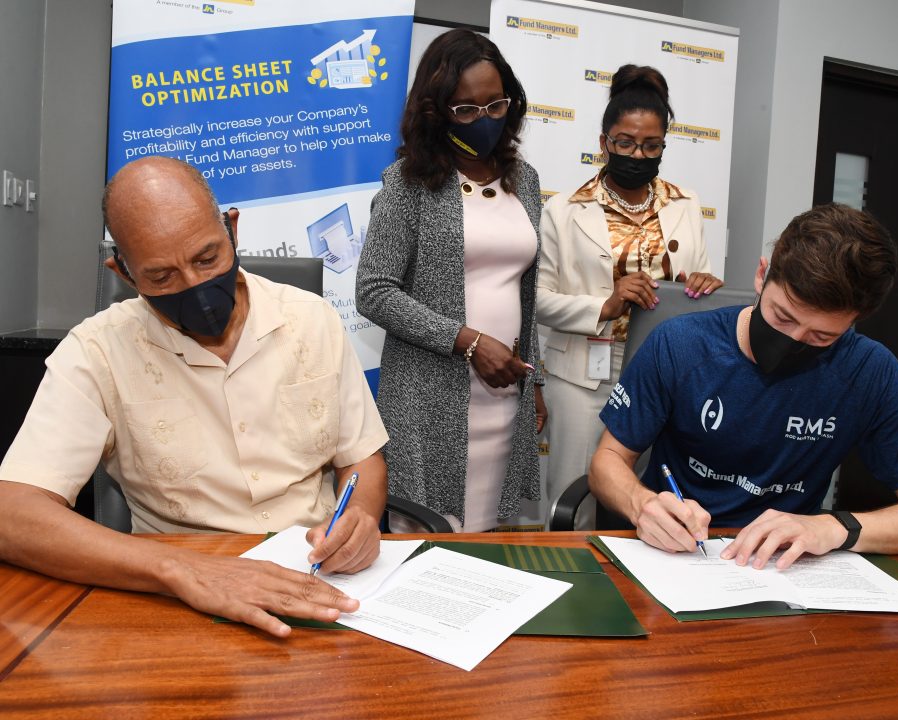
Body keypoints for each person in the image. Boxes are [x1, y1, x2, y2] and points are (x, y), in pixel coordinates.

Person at [0, 156, 389, 637]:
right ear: (122, 271)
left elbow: (362, 459)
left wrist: (360, 519)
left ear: (233, 230)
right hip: (176, 601)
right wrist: (183, 570)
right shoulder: (95, 352)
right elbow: (12, 514)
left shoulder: (312, 319)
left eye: (208, 258)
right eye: (161, 277)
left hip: (320, 577)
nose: (197, 289)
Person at [590, 202, 898, 568]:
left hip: (786, 565)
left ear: (853, 322)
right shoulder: (681, 344)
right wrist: (643, 505)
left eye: (821, 336)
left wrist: (834, 528)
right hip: (680, 552)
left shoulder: (868, 371)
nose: (794, 340)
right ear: (762, 274)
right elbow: (607, 462)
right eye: (782, 316)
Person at [355, 29, 545, 532]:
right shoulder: (407, 184)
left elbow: (523, 291)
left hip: (505, 396)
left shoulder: (524, 181)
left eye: (495, 105)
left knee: (491, 541)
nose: (484, 120)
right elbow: (373, 290)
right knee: (427, 544)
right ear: (436, 111)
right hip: (428, 397)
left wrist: (536, 380)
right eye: (466, 109)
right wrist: (468, 342)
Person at [537, 65, 722, 518]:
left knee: (651, 499)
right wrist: (605, 303)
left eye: (651, 145)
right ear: (604, 143)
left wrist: (706, 284)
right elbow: (537, 300)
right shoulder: (563, 209)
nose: (637, 154)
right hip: (584, 375)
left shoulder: (686, 203)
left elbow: (699, 278)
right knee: (575, 499)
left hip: (665, 372)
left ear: (663, 145)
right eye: (625, 143)